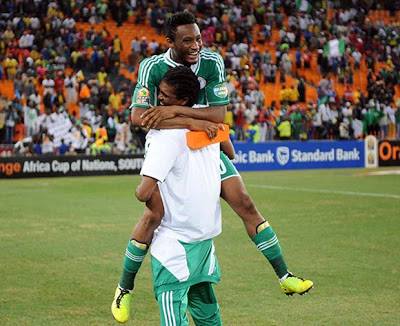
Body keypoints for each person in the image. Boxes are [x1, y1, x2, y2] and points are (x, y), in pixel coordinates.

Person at [112, 12, 313, 323]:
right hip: (169, 145)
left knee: (245, 202)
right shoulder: (152, 67)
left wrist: (174, 111)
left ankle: (284, 275)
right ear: (170, 42)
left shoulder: (211, 61)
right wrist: (190, 118)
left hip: (204, 143)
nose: (196, 45)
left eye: (198, 37)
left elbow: (219, 117)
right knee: (154, 215)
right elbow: (139, 118)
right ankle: (124, 289)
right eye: (188, 40)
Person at [135, 66, 224, 325]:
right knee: (207, 314)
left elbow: (144, 192)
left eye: (164, 95)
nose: (158, 98)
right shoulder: (210, 128)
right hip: (204, 240)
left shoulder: (165, 137)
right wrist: (193, 121)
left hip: (174, 247)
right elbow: (229, 149)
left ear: (183, 101)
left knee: (173, 318)